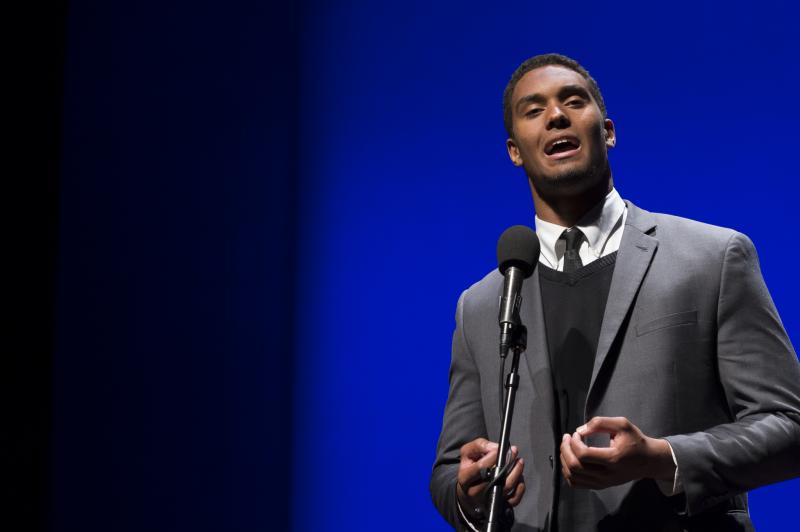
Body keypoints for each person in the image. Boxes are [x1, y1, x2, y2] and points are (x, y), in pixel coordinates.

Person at [430, 53, 800, 532]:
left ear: (607, 131)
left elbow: (789, 424)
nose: (556, 115)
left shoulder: (712, 259)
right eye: (533, 109)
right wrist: (469, 494)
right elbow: (447, 473)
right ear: (514, 151)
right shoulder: (482, 305)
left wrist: (661, 457)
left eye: (572, 101)